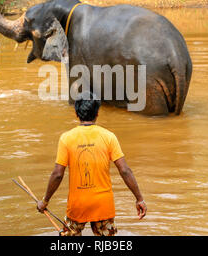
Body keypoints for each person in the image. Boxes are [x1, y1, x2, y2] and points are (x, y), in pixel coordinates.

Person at [37, 92, 147, 236]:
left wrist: (45, 201)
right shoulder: (109, 137)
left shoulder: (66, 139)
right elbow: (125, 170)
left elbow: (58, 174)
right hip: (103, 205)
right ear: (98, 113)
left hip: (78, 205)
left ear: (76, 113)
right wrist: (139, 199)